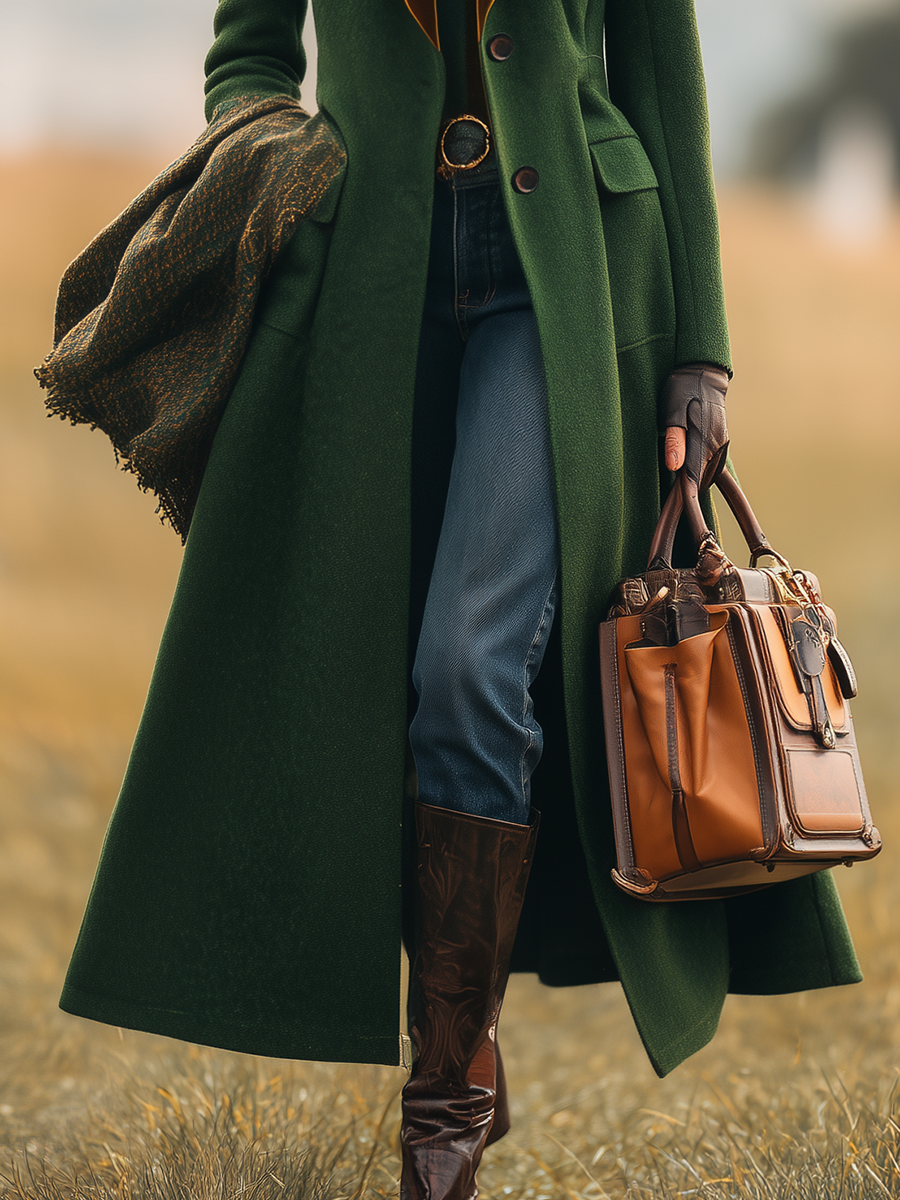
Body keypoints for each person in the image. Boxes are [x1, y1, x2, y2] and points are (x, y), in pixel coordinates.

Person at [55, 2, 862, 1198]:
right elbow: (252, 45)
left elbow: (659, 65)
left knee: (468, 666)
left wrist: (701, 347)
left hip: (570, 278)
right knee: (357, 663)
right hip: (361, 284)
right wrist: (267, 149)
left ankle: (447, 1094)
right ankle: (465, 1035)